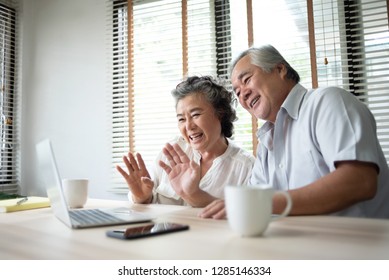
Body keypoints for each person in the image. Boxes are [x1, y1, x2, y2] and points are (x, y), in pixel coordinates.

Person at [200, 44, 389, 219]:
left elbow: (360, 181)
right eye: (238, 92)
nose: (243, 95)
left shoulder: (327, 102)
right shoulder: (266, 143)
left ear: (280, 69)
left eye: (247, 80)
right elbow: (249, 206)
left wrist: (265, 203)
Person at [117, 75, 255, 207]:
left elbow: (247, 215)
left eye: (195, 115)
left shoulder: (245, 166)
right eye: (181, 119)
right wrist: (142, 197)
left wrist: (193, 195)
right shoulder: (172, 150)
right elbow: (147, 198)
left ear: (221, 114)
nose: (188, 126)